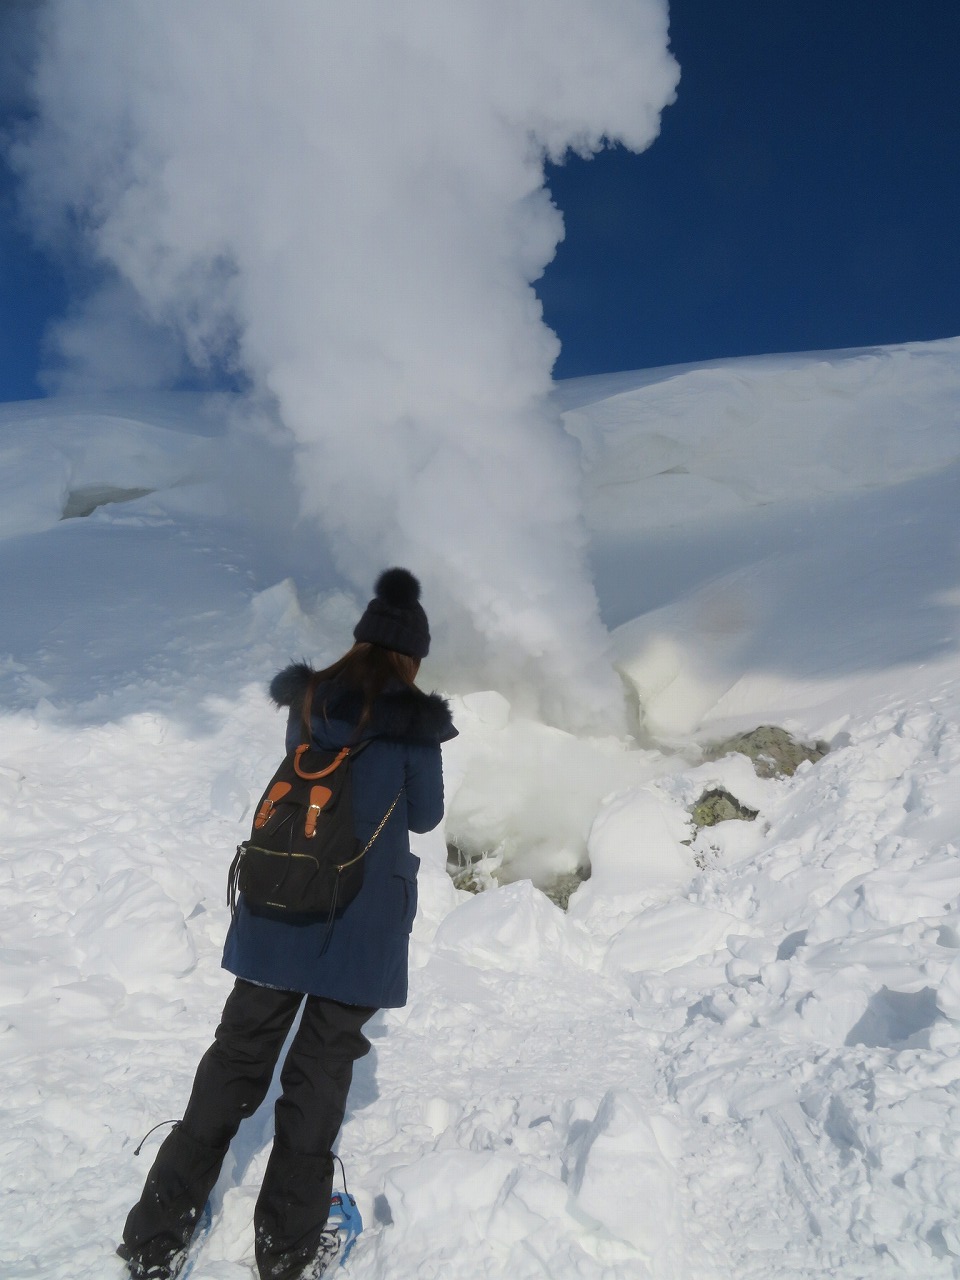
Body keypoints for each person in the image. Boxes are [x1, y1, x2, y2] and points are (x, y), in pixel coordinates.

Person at [117, 568, 457, 1280]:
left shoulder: (309, 699)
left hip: (281, 904)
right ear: (411, 657)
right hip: (358, 921)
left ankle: (156, 1231)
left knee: (238, 1055)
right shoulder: (415, 724)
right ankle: (286, 1245)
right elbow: (424, 817)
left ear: (361, 641)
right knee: (319, 1072)